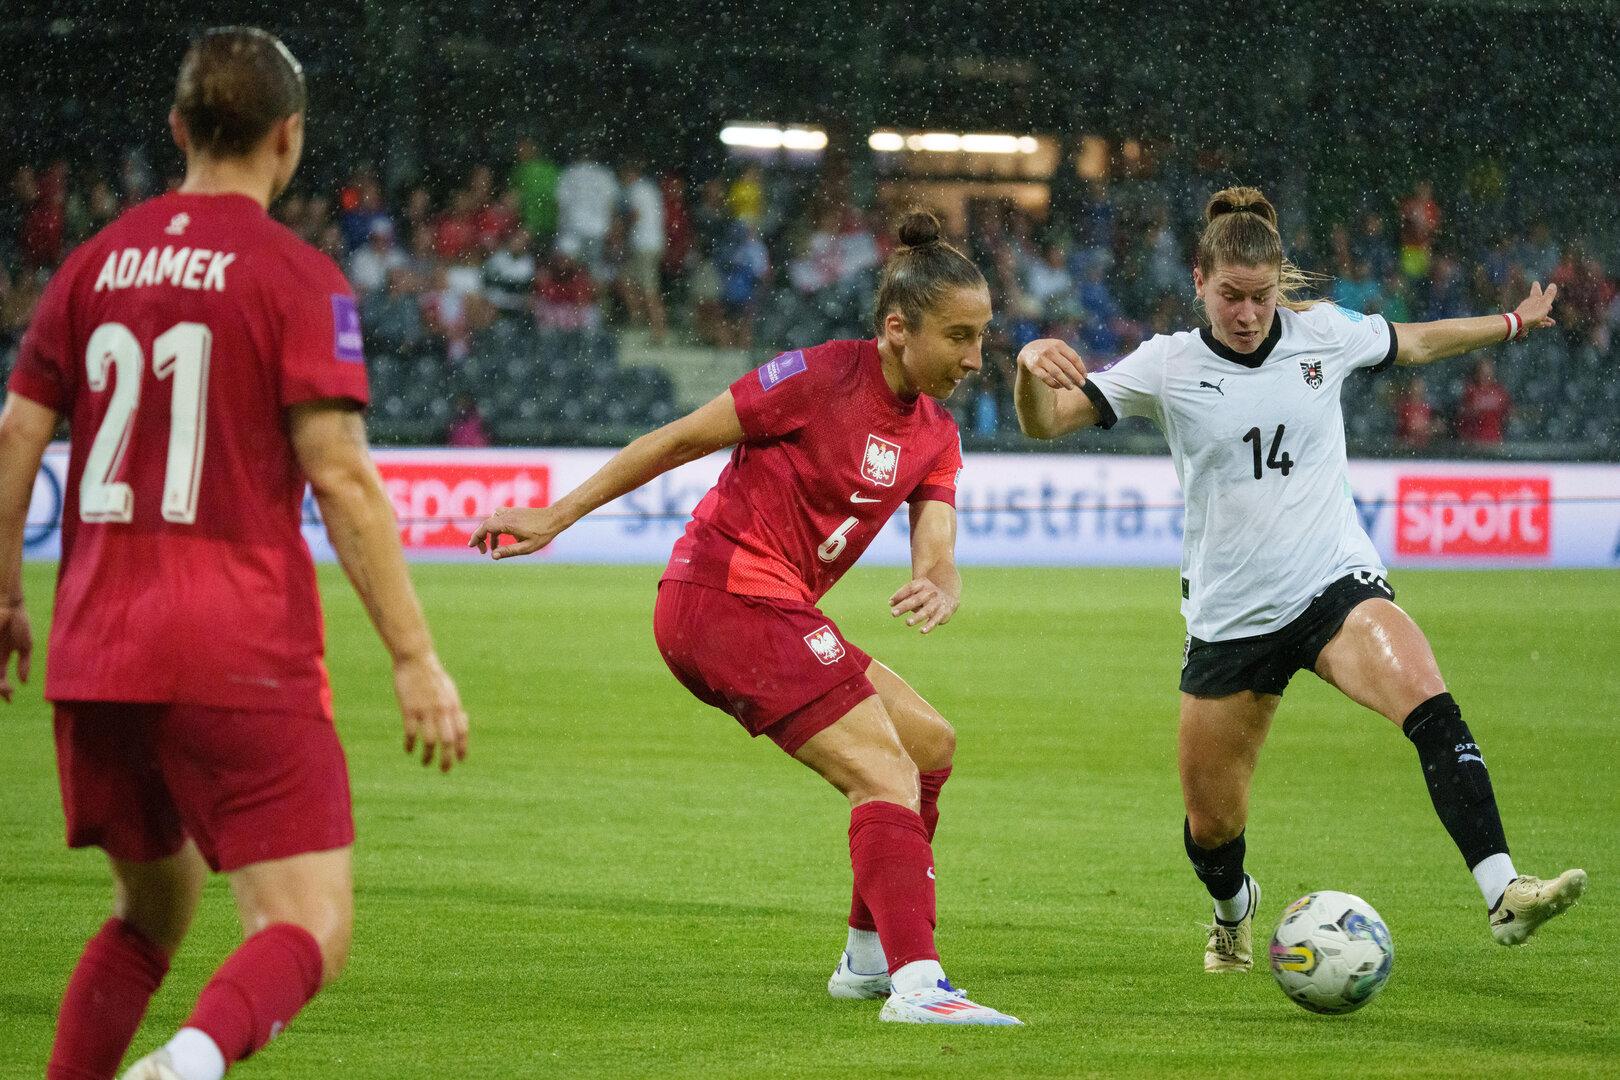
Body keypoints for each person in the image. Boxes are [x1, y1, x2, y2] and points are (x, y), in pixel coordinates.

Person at [0, 28, 468, 1080]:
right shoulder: (293, 276)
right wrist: (412, 656)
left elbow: (17, 436)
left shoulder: (91, 265)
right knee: (308, 925)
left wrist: (5, 602)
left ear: (177, 129)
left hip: (95, 653)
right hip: (234, 648)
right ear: (289, 138)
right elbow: (340, 474)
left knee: (147, 917)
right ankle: (196, 1061)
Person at [1013, 186, 1586, 974]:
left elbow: (1415, 343)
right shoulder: (1167, 365)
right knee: (1211, 828)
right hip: (1231, 620)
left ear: (1279, 284)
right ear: (1199, 283)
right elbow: (1042, 424)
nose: (1246, 314)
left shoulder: (1323, 335)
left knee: (1428, 699)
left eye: (1259, 296)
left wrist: (1513, 322)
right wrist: (1024, 366)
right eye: (1229, 297)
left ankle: (1503, 890)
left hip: (1333, 586)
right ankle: (1232, 911)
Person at [470, 210, 1020, 1026]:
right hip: (719, 598)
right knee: (885, 771)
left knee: (927, 744)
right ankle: (919, 986)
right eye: (960, 337)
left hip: (773, 607)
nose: (976, 358)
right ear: (898, 330)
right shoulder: (818, 376)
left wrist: (941, 580)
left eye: (982, 337)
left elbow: (934, 543)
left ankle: (868, 962)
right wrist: (559, 514)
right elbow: (678, 440)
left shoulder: (936, 433)